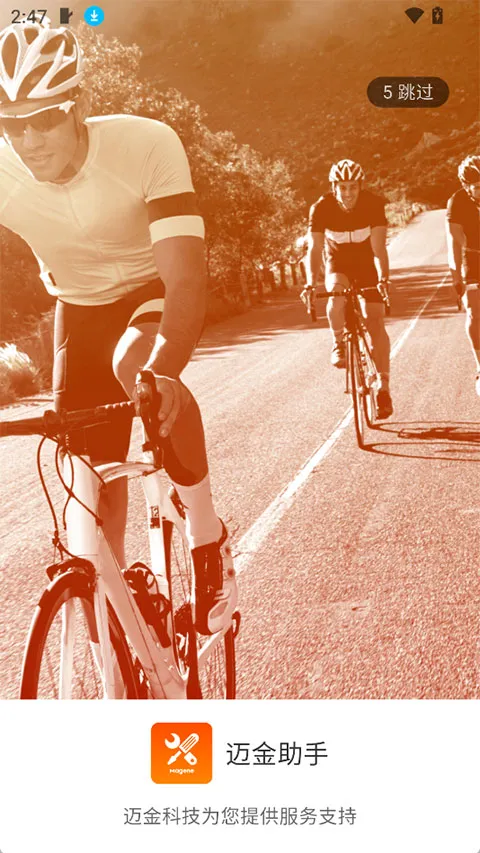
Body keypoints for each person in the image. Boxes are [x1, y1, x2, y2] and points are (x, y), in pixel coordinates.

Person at [0, 21, 237, 635]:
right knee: (88, 481)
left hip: (150, 287)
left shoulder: (145, 145)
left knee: (136, 368)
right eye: (11, 124)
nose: (28, 140)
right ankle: (118, 622)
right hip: (79, 305)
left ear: (77, 106)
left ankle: (207, 537)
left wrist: (165, 370)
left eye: (44, 119)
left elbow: (185, 279)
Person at [305, 158, 393, 419]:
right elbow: (315, 249)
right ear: (334, 187)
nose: (348, 193)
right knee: (335, 298)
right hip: (338, 263)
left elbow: (379, 249)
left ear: (360, 186)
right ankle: (338, 342)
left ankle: (384, 387)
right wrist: (310, 283)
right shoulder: (321, 208)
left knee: (375, 320)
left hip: (366, 265)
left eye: (353, 187)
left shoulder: (373, 204)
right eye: (342, 187)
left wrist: (383, 278)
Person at [445, 155, 480, 393]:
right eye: (477, 187)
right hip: (473, 255)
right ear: (466, 186)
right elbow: (455, 244)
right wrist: (456, 275)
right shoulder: (457, 202)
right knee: (474, 311)